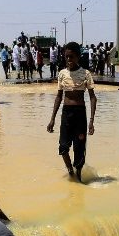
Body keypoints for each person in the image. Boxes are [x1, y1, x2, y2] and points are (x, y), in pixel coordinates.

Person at [47, 42, 97, 182]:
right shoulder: (62, 74)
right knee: (63, 147)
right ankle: (70, 171)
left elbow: (92, 98)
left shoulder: (86, 74)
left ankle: (78, 178)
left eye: (72, 57)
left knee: (79, 148)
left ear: (78, 57)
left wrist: (91, 122)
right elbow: (58, 97)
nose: (69, 60)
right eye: (66, 57)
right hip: (66, 113)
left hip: (80, 114)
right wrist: (52, 119)